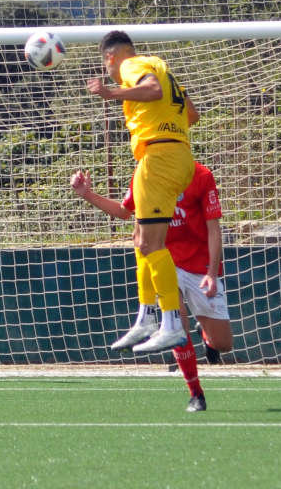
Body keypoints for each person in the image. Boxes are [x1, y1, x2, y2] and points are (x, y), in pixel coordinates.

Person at [71, 163, 234, 412]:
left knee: (223, 343)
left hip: (199, 266)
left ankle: (208, 339)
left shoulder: (201, 175)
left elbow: (214, 228)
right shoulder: (145, 172)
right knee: (177, 325)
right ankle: (196, 394)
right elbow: (125, 212)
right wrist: (86, 194)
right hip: (164, 260)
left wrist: (212, 272)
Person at [87, 30, 199, 354]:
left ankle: (172, 323)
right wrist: (166, 129)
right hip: (173, 155)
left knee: (152, 243)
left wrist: (110, 93)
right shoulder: (161, 66)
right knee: (140, 238)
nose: (109, 71)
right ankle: (147, 316)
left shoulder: (131, 65)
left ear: (111, 57)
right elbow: (191, 114)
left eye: (105, 64)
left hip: (160, 157)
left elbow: (151, 89)